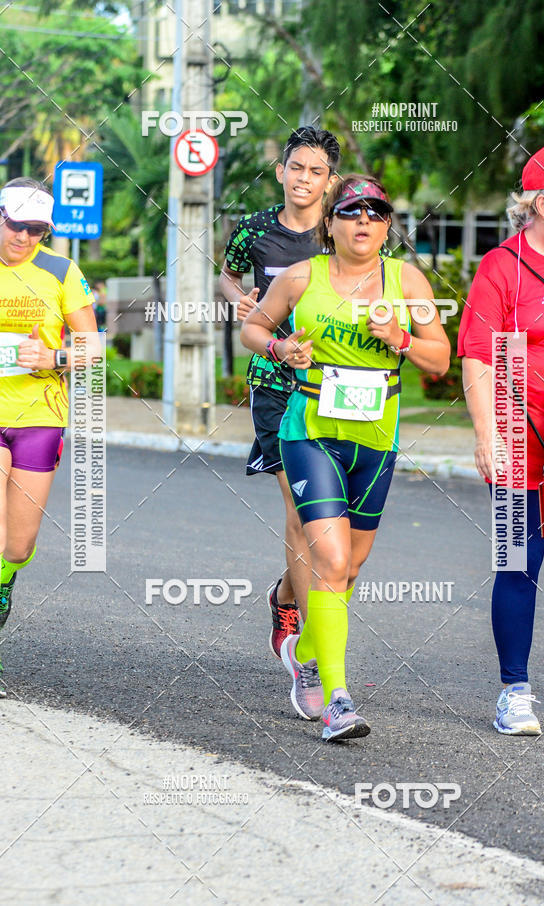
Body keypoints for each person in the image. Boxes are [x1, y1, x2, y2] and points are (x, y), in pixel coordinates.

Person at [241, 175, 450, 740]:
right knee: (330, 564)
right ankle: (337, 699)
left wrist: (400, 340)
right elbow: (254, 328)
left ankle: (306, 654)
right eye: (352, 212)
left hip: (377, 438)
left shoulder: (406, 280)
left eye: (376, 213)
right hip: (310, 429)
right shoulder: (300, 276)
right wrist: (282, 347)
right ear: (330, 224)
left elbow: (439, 358)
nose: (364, 222)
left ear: (386, 226)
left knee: (350, 568)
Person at [459, 141, 544, 738]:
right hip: (522, 437)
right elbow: (479, 358)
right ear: (543, 205)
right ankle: (513, 691)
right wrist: (489, 433)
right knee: (518, 565)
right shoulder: (501, 266)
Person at [219, 126, 340, 658]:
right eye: (297, 168)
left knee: (333, 516)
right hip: (273, 382)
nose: (304, 179)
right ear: (280, 171)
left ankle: (285, 593)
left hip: (333, 386)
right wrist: (240, 300)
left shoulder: (340, 234)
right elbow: (228, 274)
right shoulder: (255, 228)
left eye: (316, 172)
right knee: (299, 509)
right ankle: (310, 647)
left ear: (329, 181)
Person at [0, 177, 98, 696]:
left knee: (17, 545)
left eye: (37, 229)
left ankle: (4, 580)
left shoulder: (61, 270)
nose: (25, 237)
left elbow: (94, 347)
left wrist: (56, 357)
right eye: (18, 225)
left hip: (41, 415)